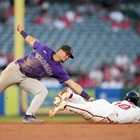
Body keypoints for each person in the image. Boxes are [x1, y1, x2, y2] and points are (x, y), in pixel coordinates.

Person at [0, 24, 94, 124]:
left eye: (69, 56)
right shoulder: (44, 49)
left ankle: (29, 116)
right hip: (15, 70)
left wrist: (88, 97)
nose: (67, 57)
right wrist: (22, 32)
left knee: (42, 91)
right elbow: (31, 41)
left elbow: (73, 84)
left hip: (26, 79)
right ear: (60, 51)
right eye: (66, 54)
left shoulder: (59, 70)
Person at [49, 87, 140, 124]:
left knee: (85, 105)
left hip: (106, 104)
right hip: (112, 114)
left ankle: (71, 95)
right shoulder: (137, 110)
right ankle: (64, 105)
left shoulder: (120, 102)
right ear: (136, 101)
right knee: (89, 112)